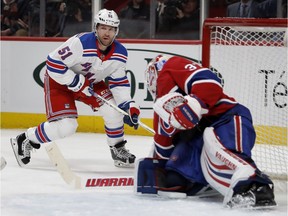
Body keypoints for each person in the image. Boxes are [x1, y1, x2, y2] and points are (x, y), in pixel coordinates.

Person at [135, 55, 276, 208]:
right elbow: (163, 149)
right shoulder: (161, 109)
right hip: (197, 138)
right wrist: (156, 168)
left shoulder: (171, 65)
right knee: (173, 180)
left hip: (225, 118)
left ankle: (256, 186)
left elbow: (209, 81)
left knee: (217, 144)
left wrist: (194, 104)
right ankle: (208, 181)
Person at [10, 9, 140, 168]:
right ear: (96, 28)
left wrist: (128, 105)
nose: (107, 33)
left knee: (114, 112)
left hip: (91, 83)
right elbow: (53, 63)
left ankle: (118, 149)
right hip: (60, 81)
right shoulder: (80, 43)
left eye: (111, 29)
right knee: (67, 126)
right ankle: (26, 138)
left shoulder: (120, 53)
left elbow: (119, 82)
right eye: (103, 28)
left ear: (116, 31)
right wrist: (76, 82)